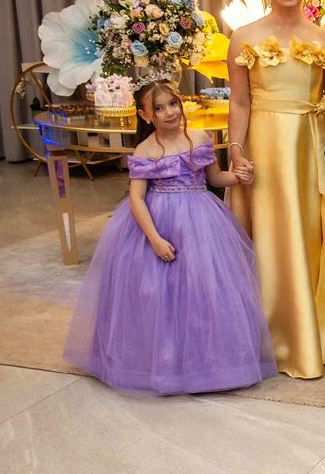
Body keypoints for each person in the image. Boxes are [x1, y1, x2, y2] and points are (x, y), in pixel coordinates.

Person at [64, 81, 274, 394]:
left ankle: (209, 363)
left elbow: (216, 178)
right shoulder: (145, 150)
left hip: (201, 220)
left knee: (204, 287)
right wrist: (154, 239)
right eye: (159, 108)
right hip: (159, 222)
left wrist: (239, 176)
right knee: (158, 293)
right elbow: (136, 199)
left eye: (172, 104)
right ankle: (164, 363)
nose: (169, 112)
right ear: (145, 115)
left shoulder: (198, 138)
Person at [227, 0, 325, 379]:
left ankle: (307, 333)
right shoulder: (244, 37)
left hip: (310, 148)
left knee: (310, 234)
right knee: (268, 236)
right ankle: (266, 334)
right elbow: (239, 102)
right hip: (263, 148)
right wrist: (236, 150)